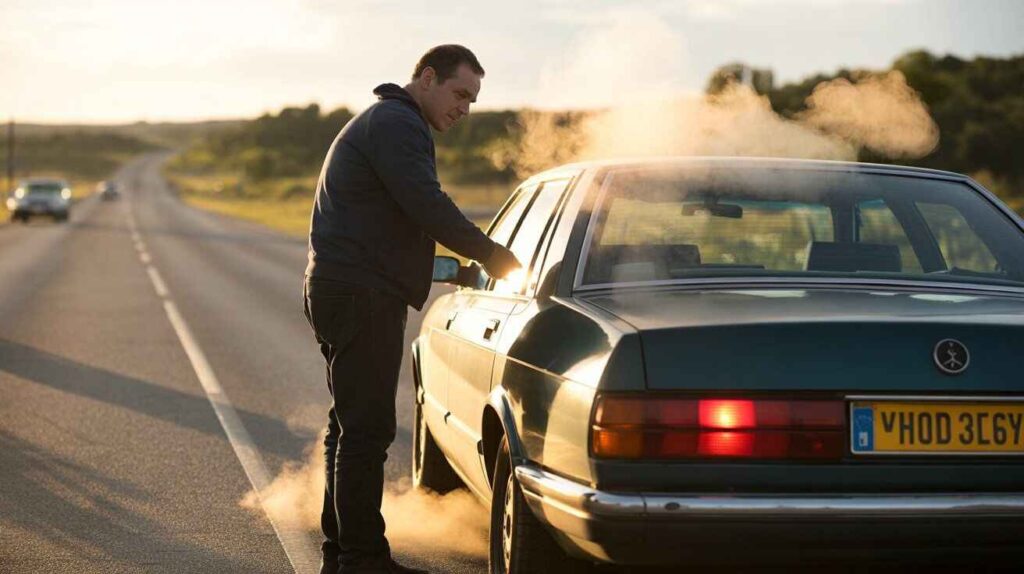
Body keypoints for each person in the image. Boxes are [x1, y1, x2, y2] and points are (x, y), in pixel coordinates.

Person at [303, 45, 520, 574]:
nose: (464, 108)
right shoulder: (398, 124)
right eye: (459, 93)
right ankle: (363, 560)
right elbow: (426, 203)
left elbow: (394, 222)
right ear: (427, 78)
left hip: (341, 287)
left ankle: (341, 553)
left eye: (472, 99)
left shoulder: (387, 120)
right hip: (361, 295)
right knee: (367, 432)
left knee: (349, 426)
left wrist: (456, 269)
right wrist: (492, 254)